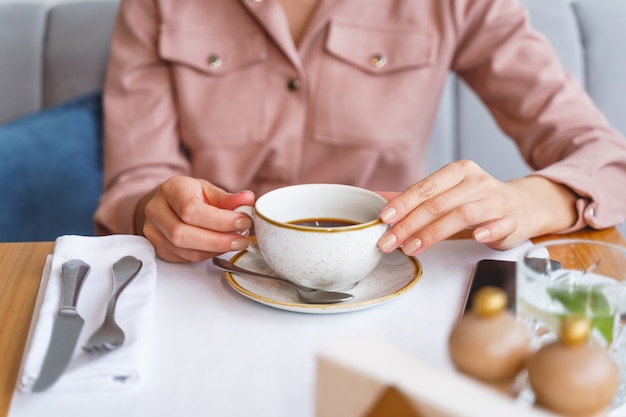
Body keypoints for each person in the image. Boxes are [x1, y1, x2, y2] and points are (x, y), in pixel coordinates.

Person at [95, 0, 626, 263]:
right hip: (213, 282)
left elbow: (604, 157)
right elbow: (132, 184)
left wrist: (524, 203)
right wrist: (154, 210)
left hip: (391, 280)